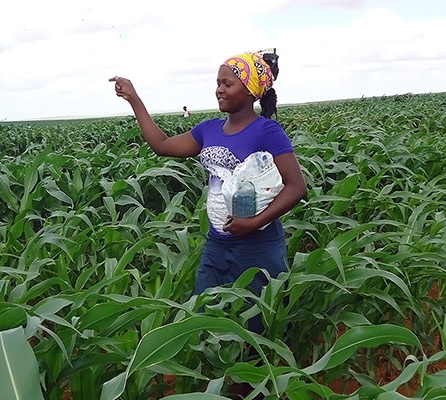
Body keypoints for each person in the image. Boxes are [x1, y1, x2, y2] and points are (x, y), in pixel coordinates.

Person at [109, 49, 307, 335]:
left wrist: (252, 224)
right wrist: (134, 99)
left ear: (250, 90)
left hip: (257, 247)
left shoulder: (267, 132)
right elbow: (162, 145)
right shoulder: (209, 130)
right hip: (217, 244)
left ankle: (250, 379)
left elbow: (297, 187)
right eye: (218, 83)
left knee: (256, 327)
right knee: (203, 315)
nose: (219, 90)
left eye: (227, 84)